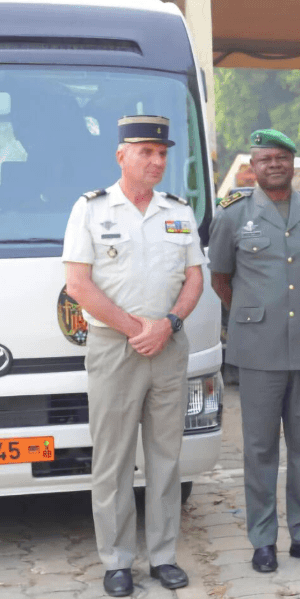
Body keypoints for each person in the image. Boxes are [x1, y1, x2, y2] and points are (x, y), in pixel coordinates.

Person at [63, 115, 203, 596]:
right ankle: (118, 561)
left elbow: (195, 279)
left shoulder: (178, 210)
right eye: (146, 152)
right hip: (114, 349)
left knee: (167, 459)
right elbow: (78, 285)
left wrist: (169, 325)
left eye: (162, 153)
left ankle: (163, 557)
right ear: (121, 154)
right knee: (114, 460)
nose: (157, 161)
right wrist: (136, 329)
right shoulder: (90, 209)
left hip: (168, 347)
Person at [208, 129, 300, 572]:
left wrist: (292, 308)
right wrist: (257, 311)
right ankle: (263, 540)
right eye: (265, 159)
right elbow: (221, 279)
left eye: (282, 158)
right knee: (260, 449)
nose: (274, 165)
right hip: (258, 350)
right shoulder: (232, 214)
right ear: (253, 166)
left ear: (292, 162)